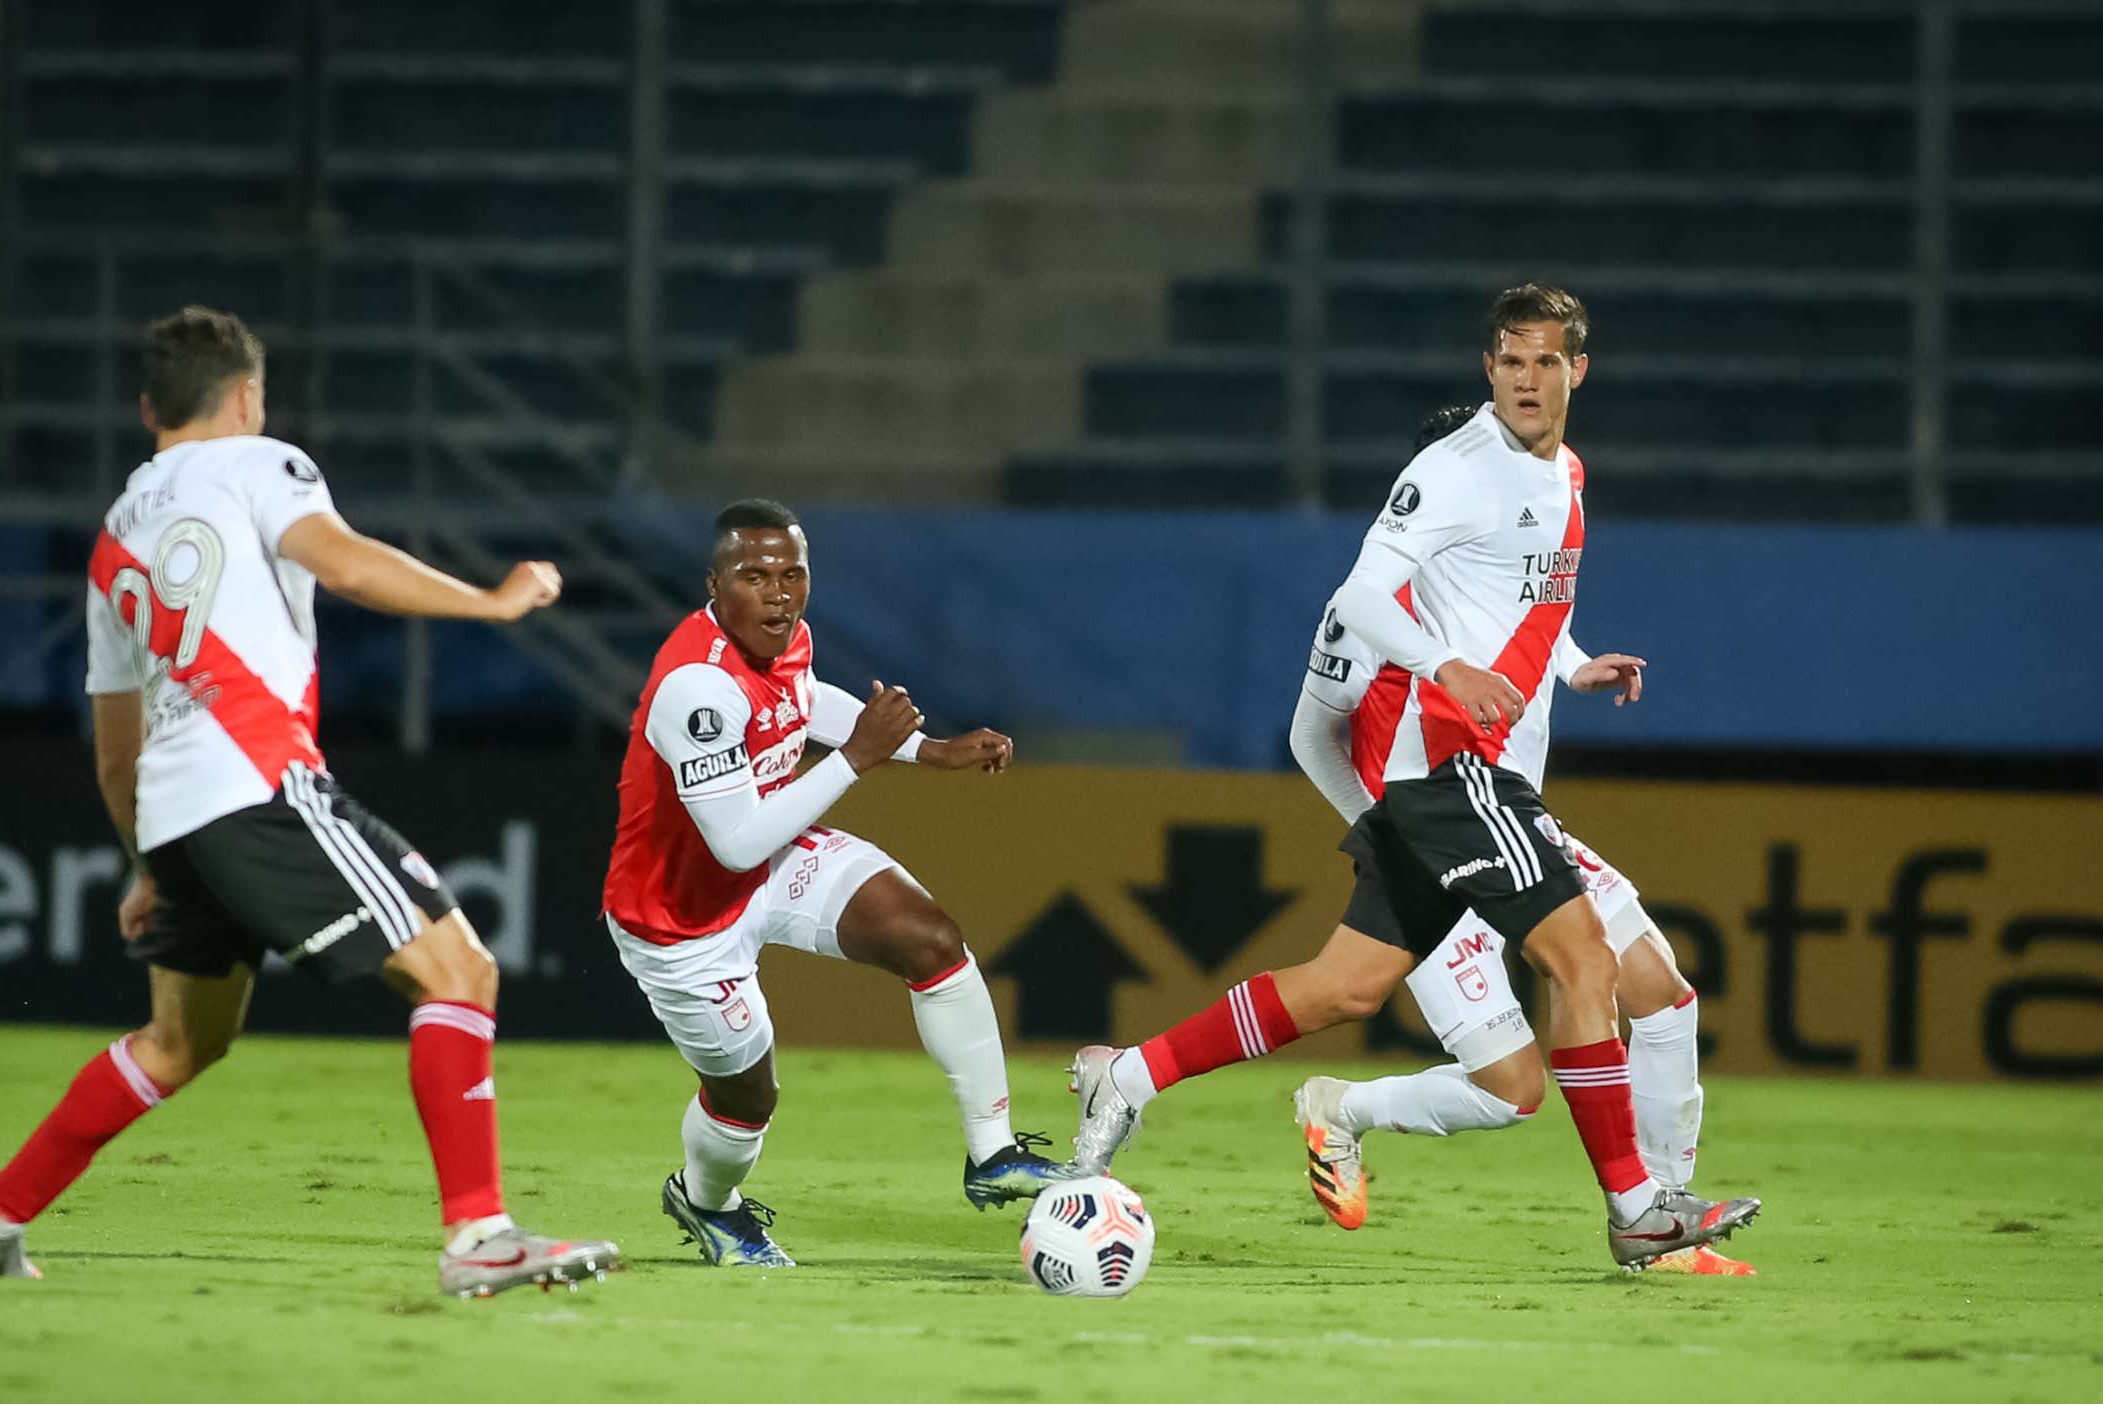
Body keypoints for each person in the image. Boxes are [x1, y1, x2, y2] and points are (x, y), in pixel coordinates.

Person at [0, 305, 620, 1297]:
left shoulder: (113, 542)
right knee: (459, 970)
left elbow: (115, 748)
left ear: (147, 409)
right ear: (247, 396)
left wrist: (144, 862)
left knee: (179, 1043)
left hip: (175, 807)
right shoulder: (260, 464)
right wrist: (490, 599)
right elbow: (341, 562)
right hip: (256, 779)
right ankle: (480, 1237)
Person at [1068, 284, 1761, 1273]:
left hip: (1459, 790)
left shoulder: (1561, 472)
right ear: (1488, 369)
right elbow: (1359, 592)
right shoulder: (1455, 469)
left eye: (1545, 362)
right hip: (1452, 772)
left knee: (1345, 989)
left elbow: (1523, 597)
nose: (1527, 379)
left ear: (1577, 371)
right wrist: (1442, 670)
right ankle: (1642, 1214)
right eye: (1510, 361)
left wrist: (1573, 667)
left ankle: (1127, 1079)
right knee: (1587, 967)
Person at [1286, 403, 1750, 1276]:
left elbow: (1537, 607)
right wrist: (1383, 834)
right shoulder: (1363, 615)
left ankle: (1663, 1224)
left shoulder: (1511, 546)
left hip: (1520, 822)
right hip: (1435, 840)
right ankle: (1341, 1107)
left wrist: (1575, 667)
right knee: (1512, 1090)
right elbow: (1312, 736)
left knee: (1662, 992)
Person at [602, 499, 1074, 1267]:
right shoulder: (697, 690)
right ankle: (707, 1200)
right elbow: (734, 843)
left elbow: (806, 701)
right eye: (755, 576)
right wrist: (857, 756)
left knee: (930, 939)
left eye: (793, 574)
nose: (780, 593)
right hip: (682, 919)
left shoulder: (782, 637)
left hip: (769, 861)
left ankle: (992, 1154)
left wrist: (932, 750)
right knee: (747, 1099)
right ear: (714, 586)